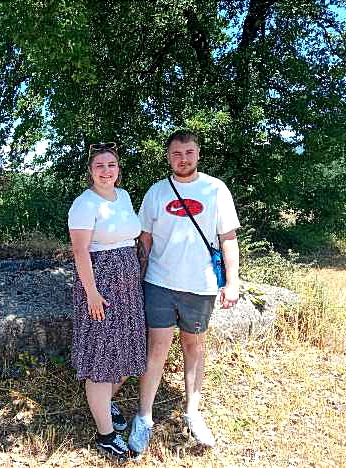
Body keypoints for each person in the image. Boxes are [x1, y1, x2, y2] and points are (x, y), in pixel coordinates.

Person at [128, 130, 240, 454]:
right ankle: (144, 417)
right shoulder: (156, 192)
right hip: (160, 283)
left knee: (195, 347)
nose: (183, 159)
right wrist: (138, 275)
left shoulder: (216, 190)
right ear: (168, 156)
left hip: (201, 285)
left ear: (198, 154)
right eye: (177, 154)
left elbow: (228, 239)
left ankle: (193, 412)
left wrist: (232, 282)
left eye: (189, 152)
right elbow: (145, 240)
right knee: (157, 349)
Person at [68, 142, 147, 462]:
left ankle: (105, 405)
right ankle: (106, 435)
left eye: (111, 165)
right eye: (99, 165)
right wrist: (92, 293)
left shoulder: (124, 196)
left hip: (128, 287)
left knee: (125, 354)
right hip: (100, 287)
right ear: (91, 171)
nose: (106, 170)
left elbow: (134, 237)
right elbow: (80, 252)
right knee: (101, 361)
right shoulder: (84, 204)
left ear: (118, 169)